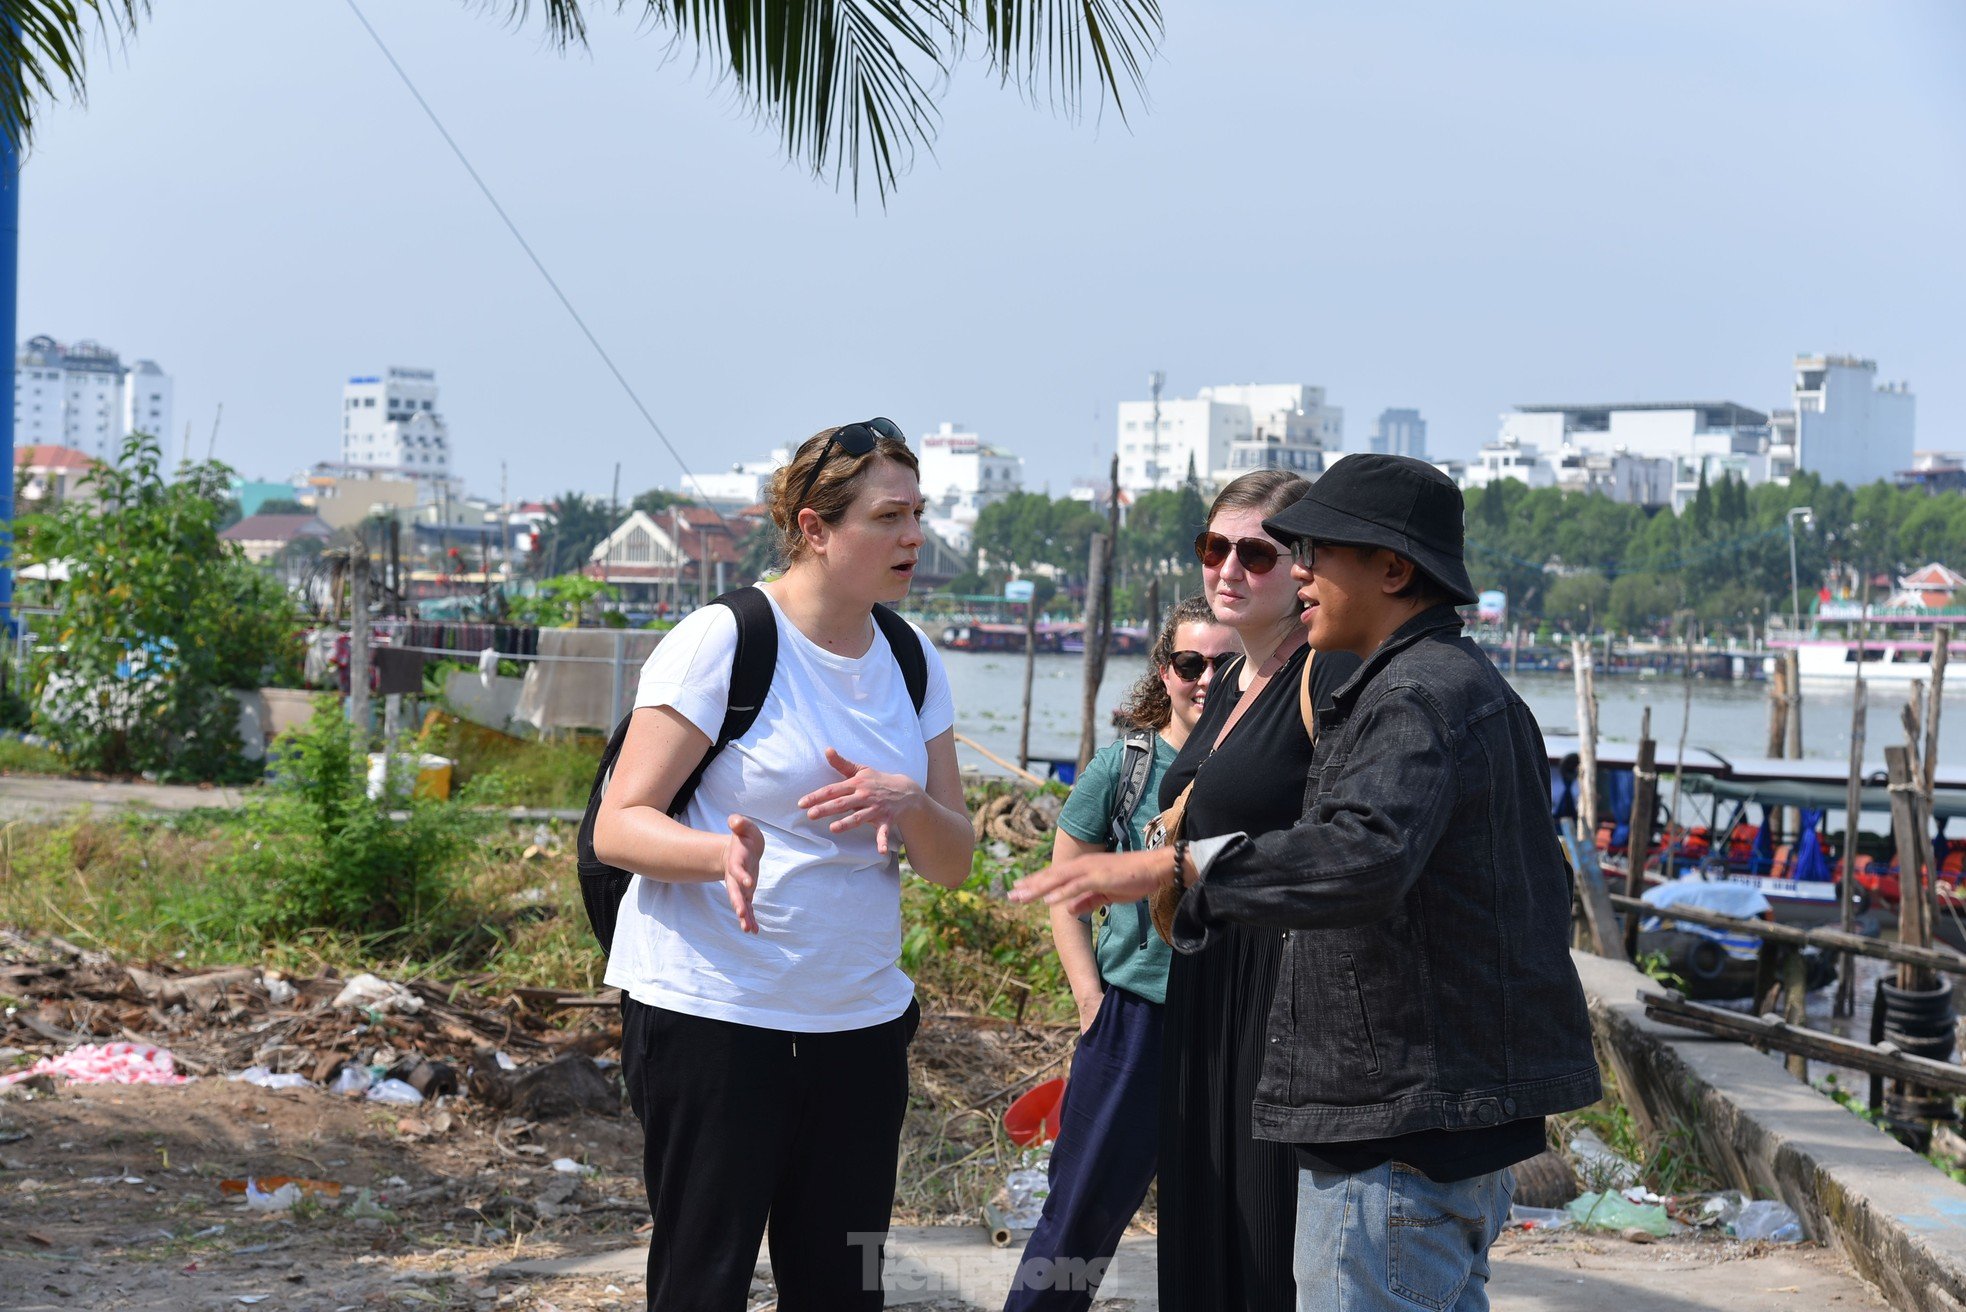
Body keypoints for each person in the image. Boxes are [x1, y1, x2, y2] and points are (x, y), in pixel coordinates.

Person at [1011, 454, 1600, 1312]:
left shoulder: (1409, 697)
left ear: (1393, 570)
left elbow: (1358, 856)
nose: (1299, 572)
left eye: (1313, 553)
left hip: (1395, 1115)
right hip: (1426, 1103)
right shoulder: (1450, 688)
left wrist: (1172, 867)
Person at [592, 419, 977, 1312]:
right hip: (715, 1015)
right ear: (814, 527)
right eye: (888, 517)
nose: (913, 537)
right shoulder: (722, 641)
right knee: (703, 1285)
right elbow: (620, 825)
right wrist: (718, 850)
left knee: (845, 1290)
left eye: (918, 514)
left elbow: (953, 862)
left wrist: (909, 803)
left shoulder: (913, 661)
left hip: (860, 1023)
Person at [1159, 470, 1361, 1312]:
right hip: (1207, 982)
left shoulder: (1327, 674)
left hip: (1283, 995)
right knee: (1205, 1228)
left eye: (1256, 553)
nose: (1228, 569)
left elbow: (1345, 845)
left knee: (1266, 1238)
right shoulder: (1231, 682)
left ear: (1305, 565)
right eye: (1215, 547)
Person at [1003, 594, 1237, 1312]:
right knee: (1080, 1215)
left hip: (1236, 1023)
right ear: (1164, 672)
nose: (1205, 679)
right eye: (1190, 663)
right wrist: (1089, 1001)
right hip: (1134, 1020)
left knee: (1229, 1220)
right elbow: (1065, 889)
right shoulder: (1125, 766)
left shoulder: (1266, 764)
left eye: (1225, 665)